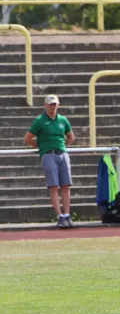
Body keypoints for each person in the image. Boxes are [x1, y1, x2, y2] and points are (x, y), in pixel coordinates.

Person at [24, 94, 75, 228]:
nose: (53, 106)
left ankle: (67, 214)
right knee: (53, 186)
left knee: (65, 185)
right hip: (48, 154)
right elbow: (28, 138)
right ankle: (59, 216)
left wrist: (64, 146)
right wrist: (39, 146)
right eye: (50, 104)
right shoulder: (40, 120)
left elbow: (70, 136)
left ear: (58, 105)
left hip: (62, 153)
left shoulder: (62, 120)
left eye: (55, 104)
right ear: (45, 105)